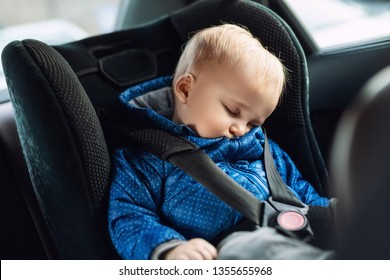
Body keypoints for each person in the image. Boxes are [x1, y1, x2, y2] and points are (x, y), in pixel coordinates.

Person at [108, 24, 330, 260]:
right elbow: (129, 216)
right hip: (228, 249)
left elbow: (302, 192)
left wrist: (329, 215)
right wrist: (169, 248)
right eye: (232, 111)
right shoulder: (145, 160)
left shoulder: (265, 151)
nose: (241, 129)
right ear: (185, 89)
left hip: (295, 230)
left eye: (253, 124)